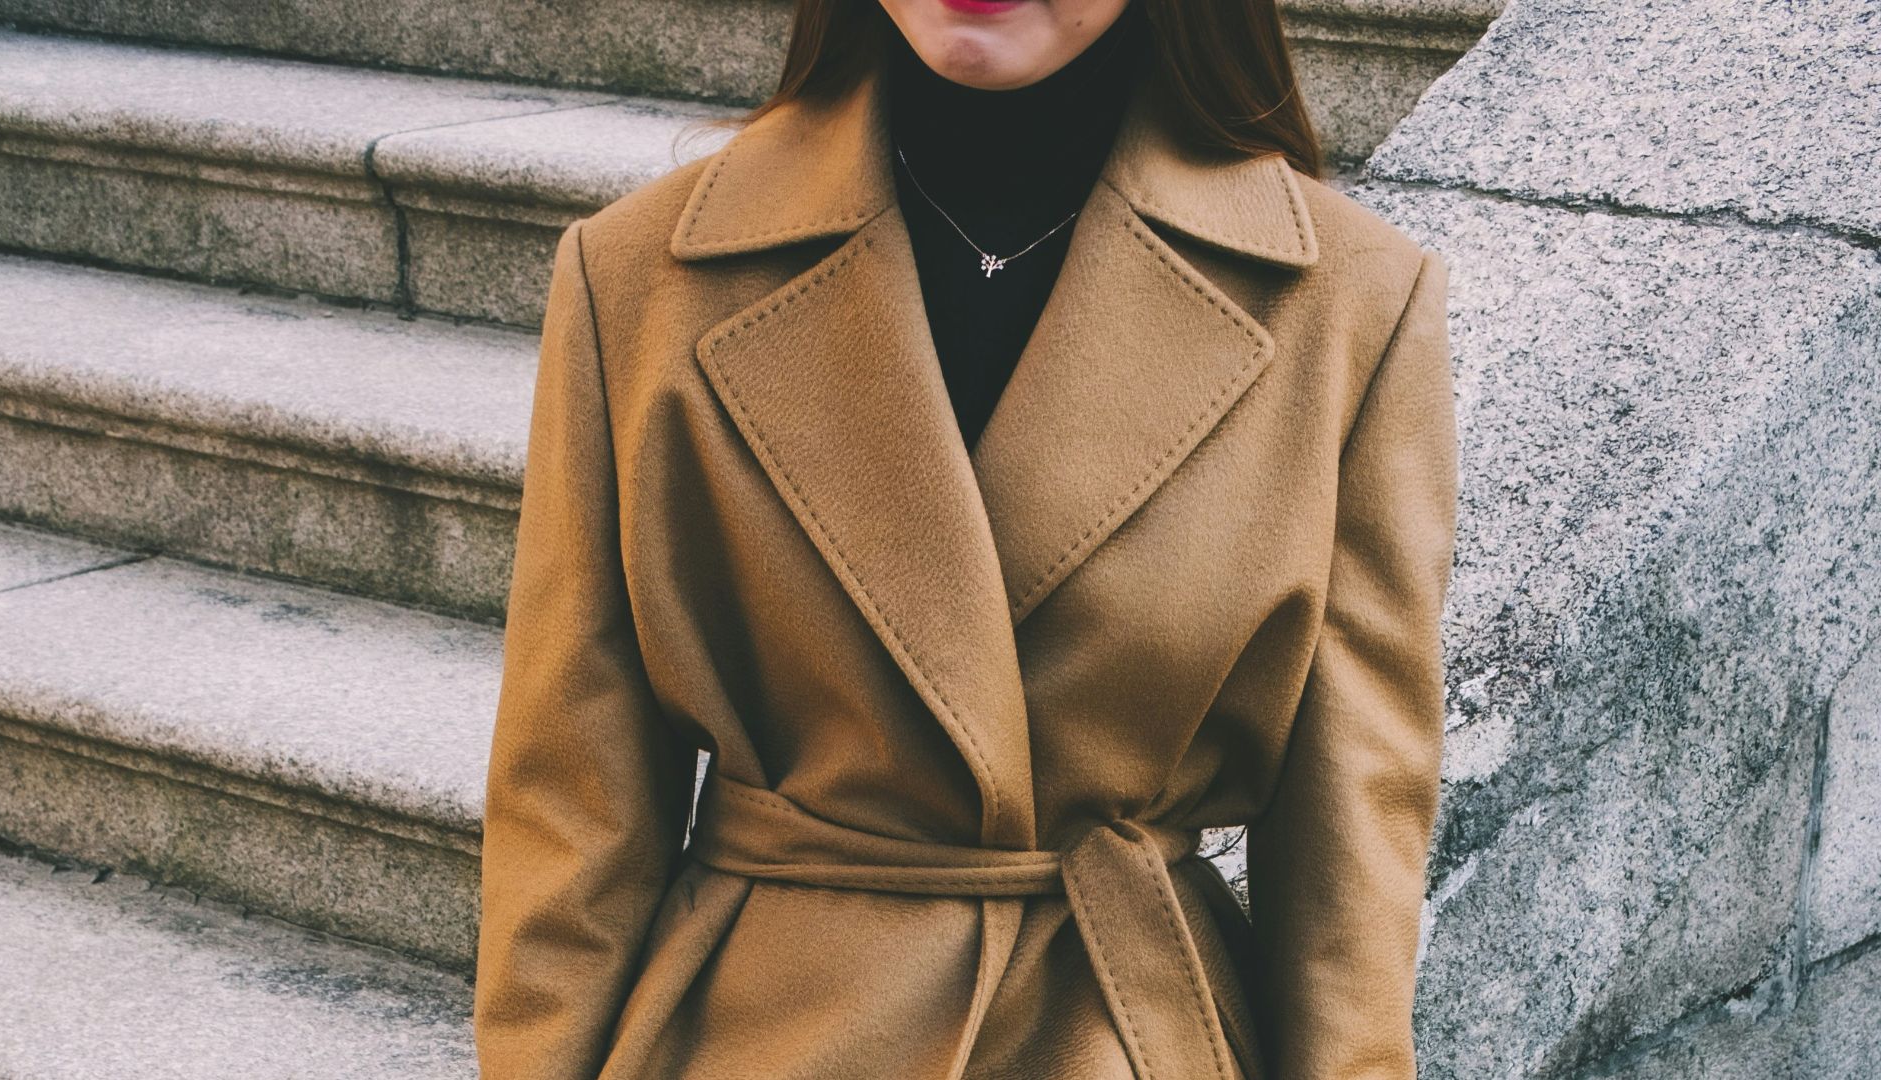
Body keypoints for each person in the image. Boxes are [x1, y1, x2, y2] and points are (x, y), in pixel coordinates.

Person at [472, 0, 1459, 1077]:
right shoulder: (636, 278)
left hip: (1127, 1034)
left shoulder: (1352, 307)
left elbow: (1351, 872)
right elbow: (572, 817)